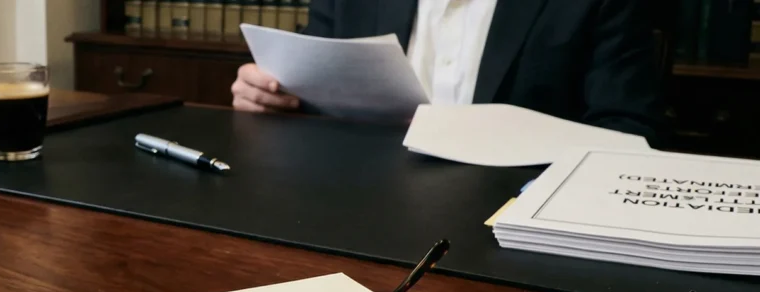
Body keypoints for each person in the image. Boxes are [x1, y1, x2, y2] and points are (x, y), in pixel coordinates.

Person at [231, 0, 664, 144]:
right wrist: (270, 99)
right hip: (354, 211)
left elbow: (627, 130)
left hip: (511, 235)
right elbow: (308, 98)